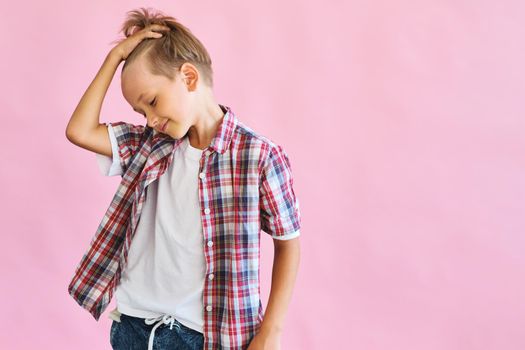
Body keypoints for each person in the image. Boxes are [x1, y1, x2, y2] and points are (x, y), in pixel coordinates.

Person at [65, 7, 301, 350]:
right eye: (141, 112)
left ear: (189, 77)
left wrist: (271, 333)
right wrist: (115, 57)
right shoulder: (148, 146)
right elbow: (80, 130)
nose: (149, 120)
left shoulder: (259, 156)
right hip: (133, 327)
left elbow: (288, 244)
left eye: (152, 102)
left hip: (205, 337)